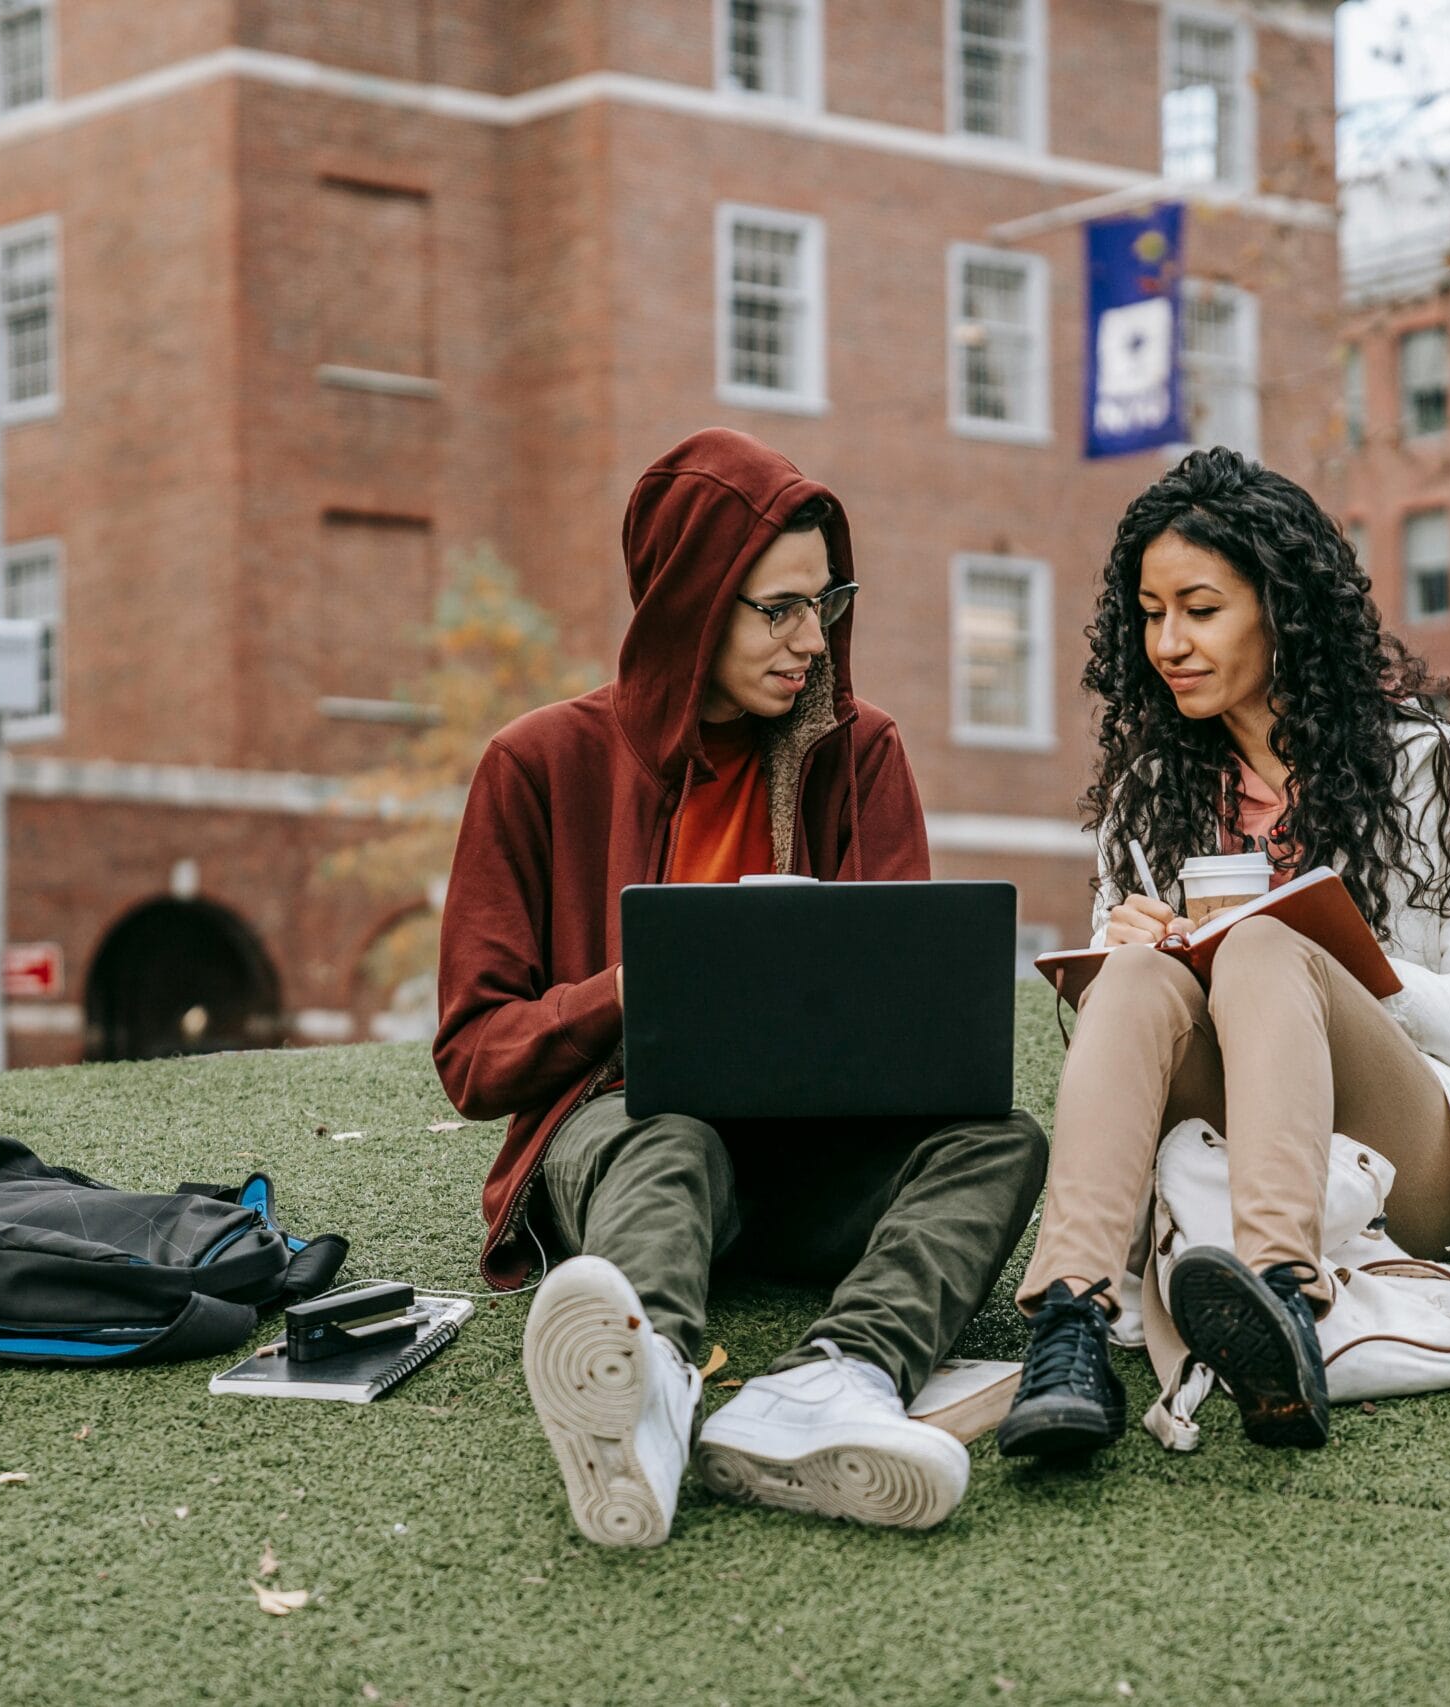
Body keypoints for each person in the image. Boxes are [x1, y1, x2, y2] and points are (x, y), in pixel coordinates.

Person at [434, 428, 1048, 1547]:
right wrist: (637, 989)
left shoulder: (861, 754)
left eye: (827, 602)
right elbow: (474, 1059)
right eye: (778, 609)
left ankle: (835, 1382)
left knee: (1002, 1138)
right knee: (671, 1135)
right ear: (688, 604)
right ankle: (651, 1391)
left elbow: (907, 1016)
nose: (812, 639)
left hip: (811, 1164)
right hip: (630, 1138)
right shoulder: (537, 765)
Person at [995, 448, 1450, 1460]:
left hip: (1405, 1151)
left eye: (1200, 609)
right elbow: (1133, 1049)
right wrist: (1122, 952)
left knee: (1268, 944)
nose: (1167, 642)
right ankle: (1069, 1323)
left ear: (1282, 609)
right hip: (1215, 1138)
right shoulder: (1150, 795)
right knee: (1136, 972)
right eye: (1148, 613)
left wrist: (1341, 966)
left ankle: (1279, 1294)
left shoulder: (1436, 774)